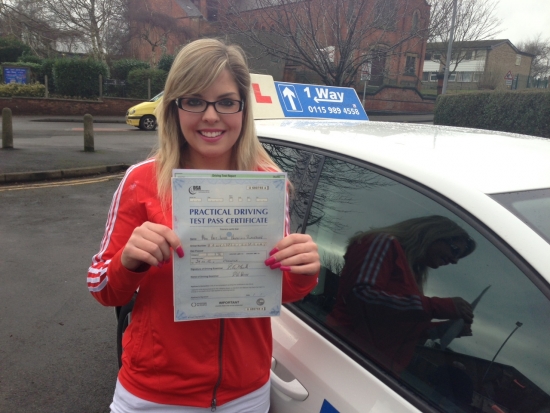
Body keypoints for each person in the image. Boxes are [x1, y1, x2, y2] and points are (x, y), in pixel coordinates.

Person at [87, 38, 320, 413]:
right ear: (175, 107)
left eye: (226, 102)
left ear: (243, 109)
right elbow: (101, 287)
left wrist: (303, 270)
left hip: (245, 395)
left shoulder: (268, 183)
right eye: (194, 101)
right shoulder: (141, 180)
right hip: (154, 395)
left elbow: (279, 291)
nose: (211, 116)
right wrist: (128, 261)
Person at [329, 215, 476, 375]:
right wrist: (439, 306)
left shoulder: (414, 270)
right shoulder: (383, 243)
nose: (454, 260)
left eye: (458, 257)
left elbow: (394, 326)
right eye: (455, 251)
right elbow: (362, 297)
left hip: (373, 367)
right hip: (346, 354)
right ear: (434, 234)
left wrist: (442, 329)